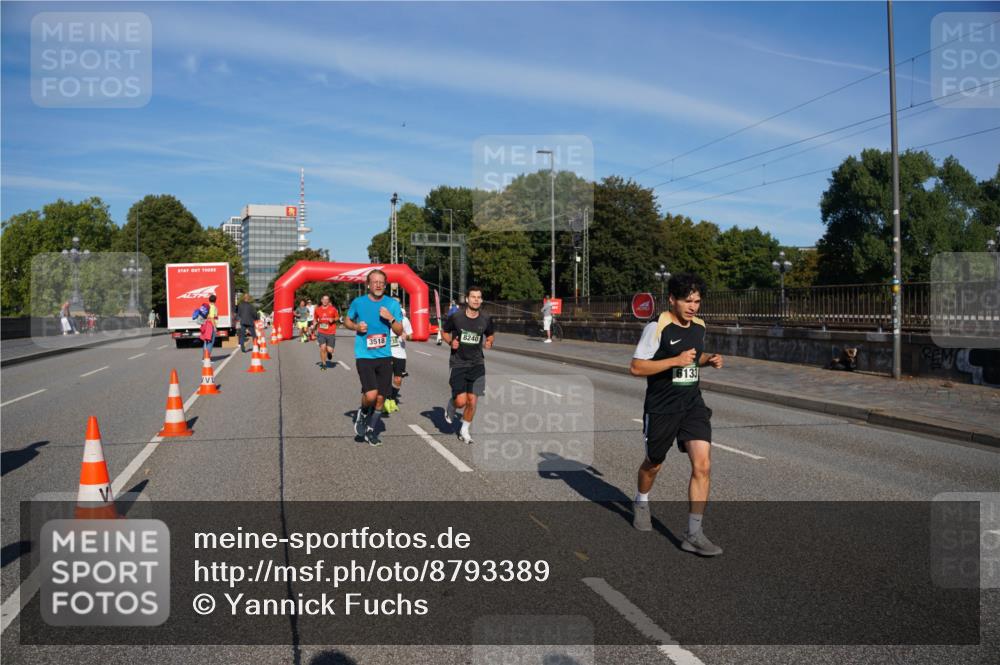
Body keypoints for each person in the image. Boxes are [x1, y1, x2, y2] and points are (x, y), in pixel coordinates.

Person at [629, 273, 724, 557]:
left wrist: (709, 360)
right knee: (654, 463)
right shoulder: (657, 327)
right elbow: (636, 367)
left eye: (697, 301)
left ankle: (693, 533)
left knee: (703, 465)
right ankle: (641, 501)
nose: (693, 307)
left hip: (692, 403)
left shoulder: (699, 326)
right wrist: (674, 361)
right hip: (662, 407)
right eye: (687, 301)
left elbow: (693, 358)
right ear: (672, 299)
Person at [344, 270, 403, 446]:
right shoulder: (358, 302)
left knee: (380, 399)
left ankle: (370, 430)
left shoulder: (391, 304)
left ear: (385, 285)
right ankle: (362, 412)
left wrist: (391, 318)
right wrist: (356, 326)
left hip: (384, 356)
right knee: (370, 396)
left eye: (381, 282)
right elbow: (346, 321)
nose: (378, 285)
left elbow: (400, 331)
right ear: (368, 284)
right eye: (374, 282)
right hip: (364, 355)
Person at [442, 286, 494, 445]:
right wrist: (451, 342)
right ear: (467, 299)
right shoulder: (457, 317)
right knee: (461, 401)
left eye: (479, 297)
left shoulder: (485, 318)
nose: (476, 300)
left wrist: (489, 341)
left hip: (477, 363)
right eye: (473, 297)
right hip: (458, 363)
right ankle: (452, 405)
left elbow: (490, 333)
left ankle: (464, 430)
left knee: (473, 401)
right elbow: (444, 331)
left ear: (482, 300)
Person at [383, 304, 413, 413]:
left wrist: (407, 336)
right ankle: (385, 401)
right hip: (385, 353)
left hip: (399, 354)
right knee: (385, 379)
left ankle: (392, 398)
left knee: (398, 379)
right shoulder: (382, 318)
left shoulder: (404, 320)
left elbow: (411, 335)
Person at [313, 294, 340, 370]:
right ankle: (324, 364)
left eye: (327, 299)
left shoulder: (333, 309)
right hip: (321, 332)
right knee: (322, 348)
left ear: (328, 301)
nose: (325, 301)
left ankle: (329, 353)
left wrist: (333, 319)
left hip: (331, 332)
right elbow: (315, 318)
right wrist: (314, 323)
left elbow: (337, 317)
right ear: (321, 300)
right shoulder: (317, 309)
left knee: (329, 349)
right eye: (324, 299)